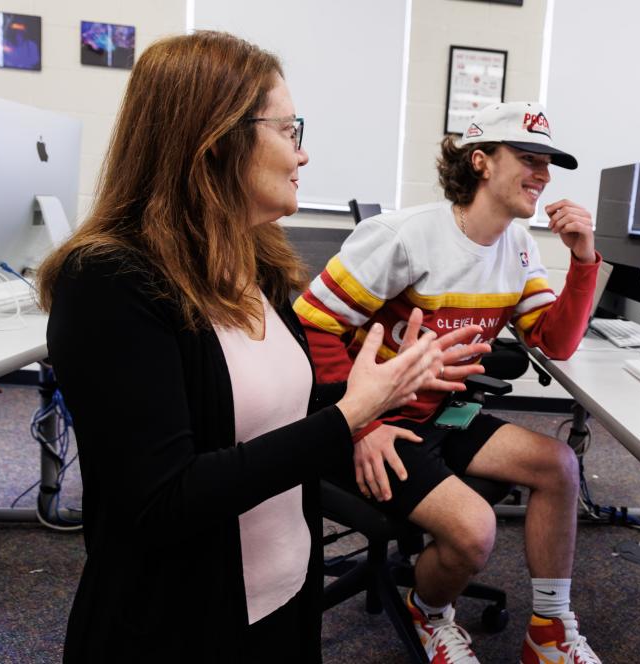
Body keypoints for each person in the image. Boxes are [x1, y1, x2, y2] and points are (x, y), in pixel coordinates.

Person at [35, 31, 488, 663]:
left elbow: (278, 413)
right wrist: (351, 415)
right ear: (217, 140)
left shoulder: (256, 266)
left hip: (287, 597)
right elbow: (164, 501)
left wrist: (380, 398)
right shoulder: (109, 283)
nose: (302, 155)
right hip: (181, 627)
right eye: (288, 130)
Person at [294, 102, 604, 663]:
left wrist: (583, 262)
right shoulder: (404, 236)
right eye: (529, 158)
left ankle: (550, 630)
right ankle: (428, 612)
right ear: (481, 162)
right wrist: (359, 423)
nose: (544, 174)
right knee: (475, 531)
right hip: (373, 421)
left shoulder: (518, 244)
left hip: (439, 413)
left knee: (560, 465)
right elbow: (310, 324)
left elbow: (553, 341)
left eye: (549, 162)